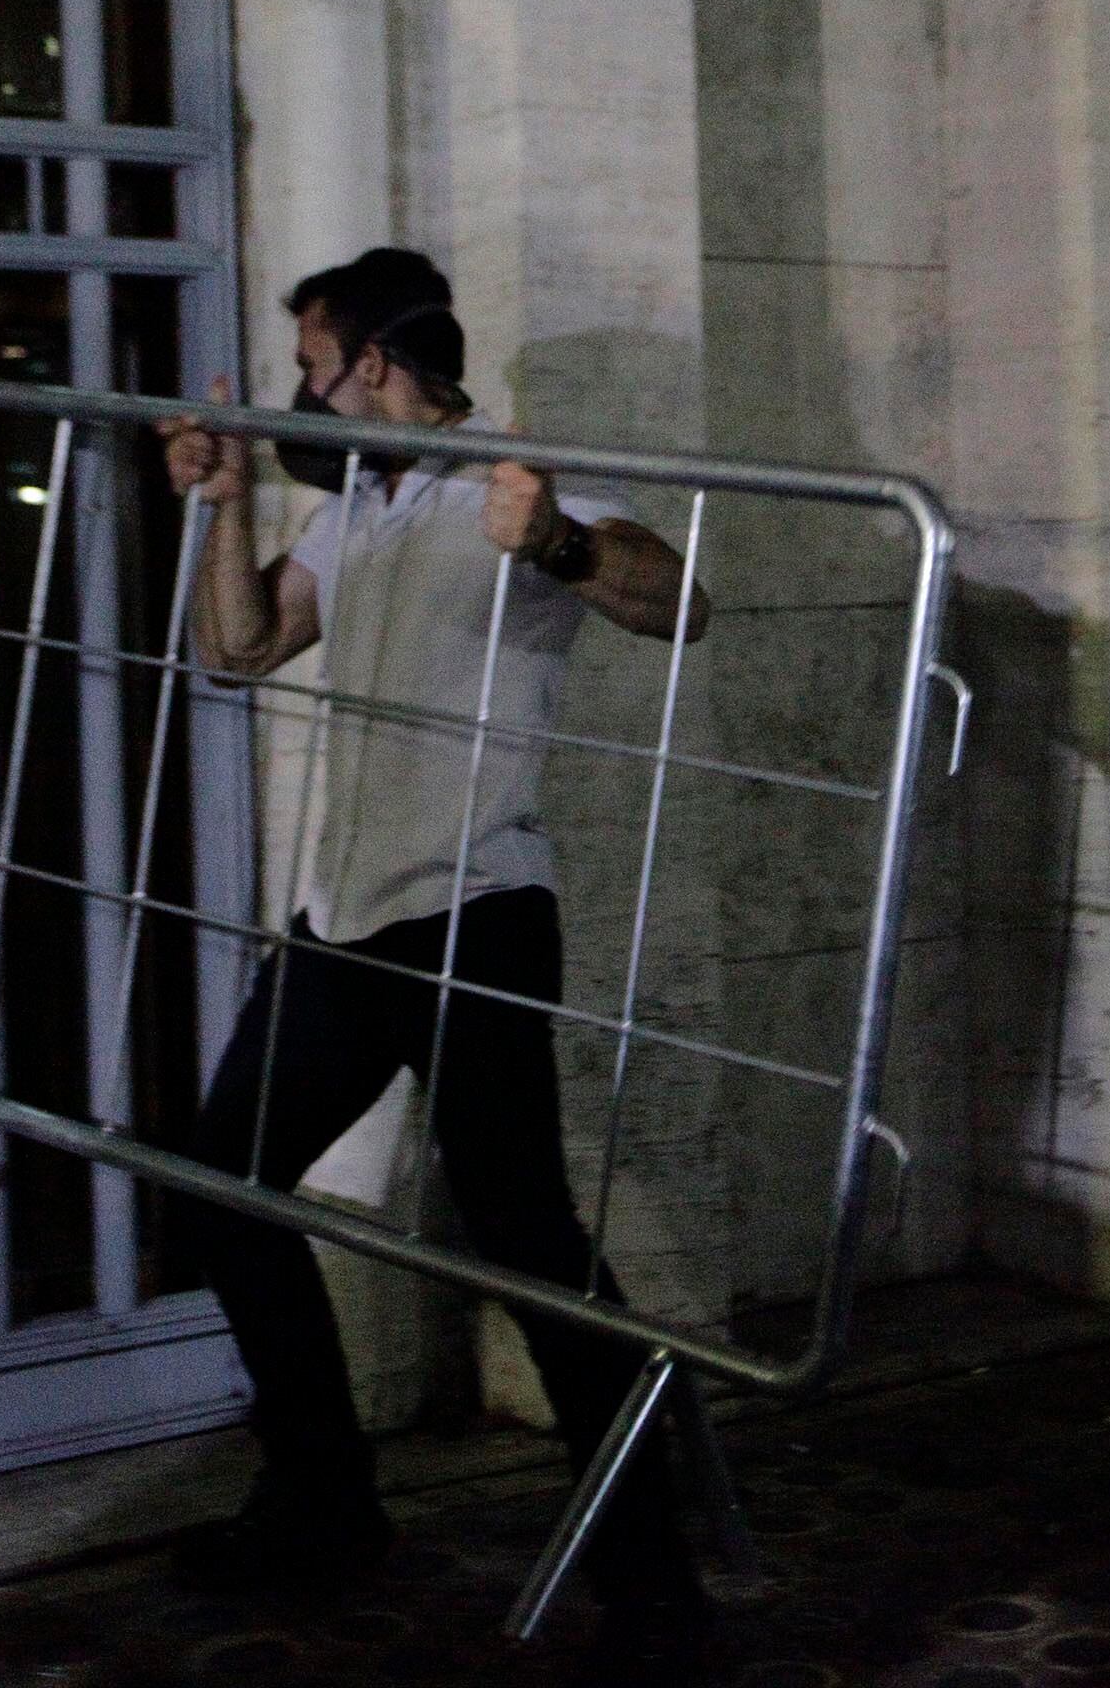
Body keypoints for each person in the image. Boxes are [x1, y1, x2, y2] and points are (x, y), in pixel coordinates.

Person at [155, 247, 714, 1672]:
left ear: (380, 364)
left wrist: (559, 546)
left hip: (475, 912)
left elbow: (678, 600)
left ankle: (656, 1572)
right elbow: (239, 645)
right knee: (224, 1184)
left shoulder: (512, 483)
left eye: (312, 363)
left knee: (524, 1238)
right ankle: (325, 1502)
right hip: (345, 923)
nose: (301, 393)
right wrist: (222, 510)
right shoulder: (365, 510)